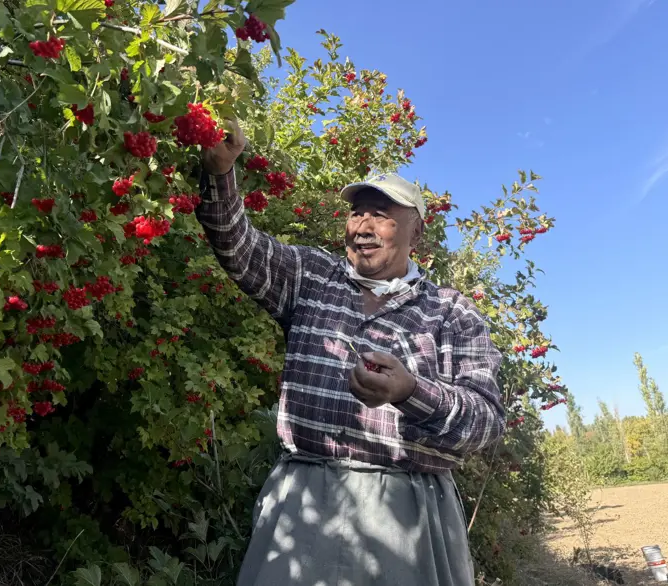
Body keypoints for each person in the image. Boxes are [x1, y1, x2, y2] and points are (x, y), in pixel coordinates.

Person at [195, 120, 505, 586]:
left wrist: (410, 392)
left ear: (415, 232)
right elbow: (237, 246)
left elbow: (484, 423)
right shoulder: (311, 275)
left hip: (408, 515)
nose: (363, 223)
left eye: (381, 213)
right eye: (357, 212)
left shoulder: (451, 313)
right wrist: (221, 173)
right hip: (303, 502)